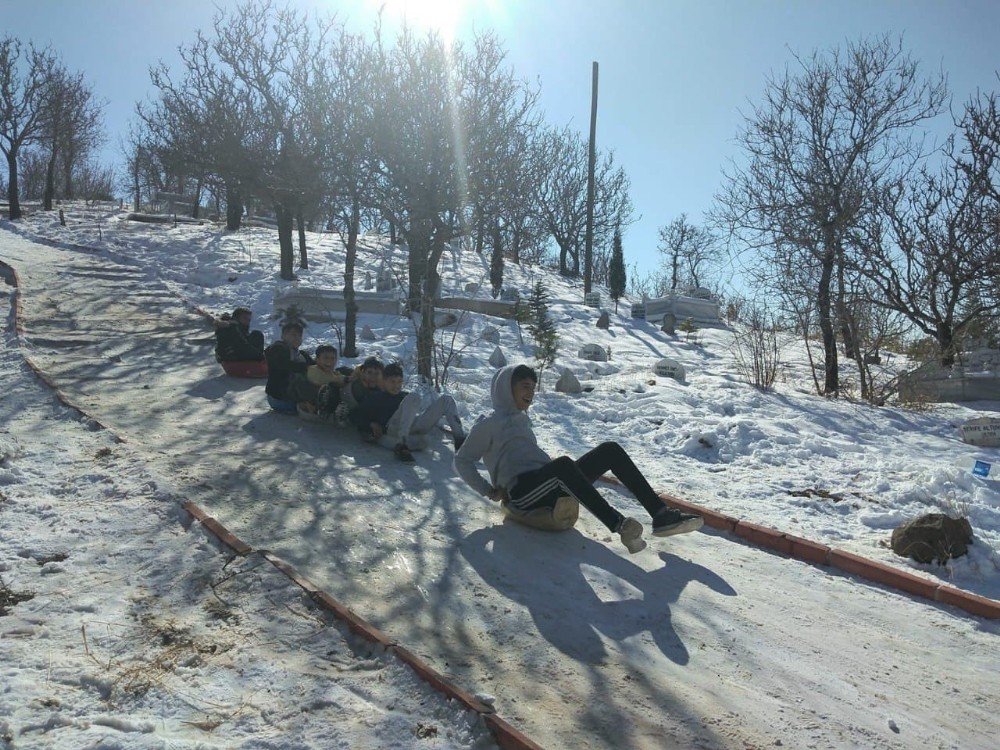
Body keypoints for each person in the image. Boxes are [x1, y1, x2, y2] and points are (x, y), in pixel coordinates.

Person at [454, 364, 703, 554]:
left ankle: (660, 514)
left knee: (610, 449)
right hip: (521, 493)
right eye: (524, 386)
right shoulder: (488, 423)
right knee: (563, 465)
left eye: (533, 386)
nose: (530, 392)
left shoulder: (522, 420)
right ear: (506, 388)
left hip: (547, 484)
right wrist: (488, 490)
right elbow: (462, 460)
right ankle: (620, 526)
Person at [351, 362, 466, 462]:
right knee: (414, 397)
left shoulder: (403, 396)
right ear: (384, 381)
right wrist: (371, 424)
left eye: (399, 382)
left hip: (409, 428)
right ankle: (402, 444)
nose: (396, 386)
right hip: (390, 430)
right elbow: (354, 415)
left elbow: (422, 411)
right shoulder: (376, 397)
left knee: (446, 399)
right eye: (392, 382)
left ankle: (461, 441)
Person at [264, 321, 314, 411]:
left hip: (292, 395)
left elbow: (316, 367)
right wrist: (306, 368)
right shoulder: (278, 348)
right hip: (279, 399)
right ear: (283, 336)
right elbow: (282, 363)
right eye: (293, 335)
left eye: (299, 336)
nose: (297, 338)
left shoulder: (301, 354)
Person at [305, 344, 348, 417]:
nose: (329, 361)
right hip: (316, 400)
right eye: (326, 358)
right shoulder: (313, 369)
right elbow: (321, 379)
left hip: (334, 400)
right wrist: (345, 379)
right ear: (317, 359)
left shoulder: (334, 373)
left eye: (332, 358)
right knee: (331, 387)